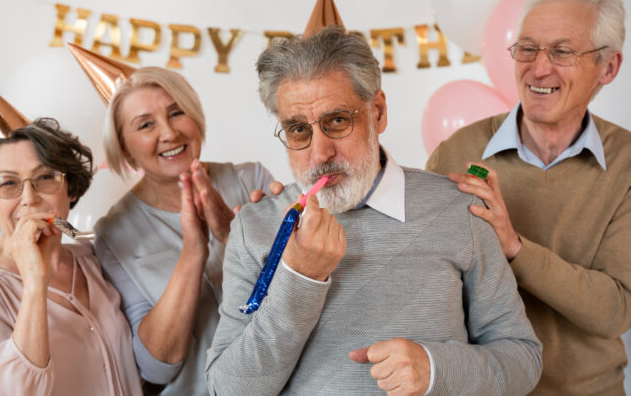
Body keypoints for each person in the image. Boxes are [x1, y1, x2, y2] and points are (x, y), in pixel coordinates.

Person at [205, 25, 542, 395]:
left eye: (337, 121)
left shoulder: (460, 209)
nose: (320, 154)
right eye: (299, 130)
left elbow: (523, 359)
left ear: (377, 112)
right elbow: (227, 390)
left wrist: (436, 369)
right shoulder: (253, 226)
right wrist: (300, 280)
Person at [426, 0, 630, 395]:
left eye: (562, 52)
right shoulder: (458, 152)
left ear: (608, 68)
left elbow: (614, 310)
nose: (538, 69)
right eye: (527, 48)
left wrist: (514, 248)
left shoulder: (626, 164)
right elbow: (425, 283)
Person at [93, 67, 278, 395]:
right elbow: (156, 367)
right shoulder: (114, 232)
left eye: (177, 112)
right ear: (124, 148)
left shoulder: (252, 181)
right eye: (146, 125)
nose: (169, 133)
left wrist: (236, 239)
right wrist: (193, 253)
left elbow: (303, 293)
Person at [0, 118, 141, 396]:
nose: (29, 198)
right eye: (8, 183)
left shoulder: (93, 258)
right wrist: (34, 282)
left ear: (72, 189)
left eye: (45, 177)